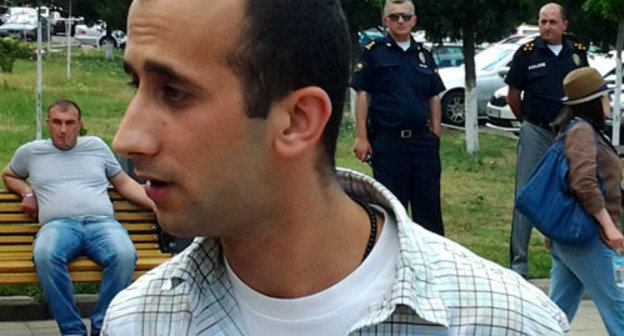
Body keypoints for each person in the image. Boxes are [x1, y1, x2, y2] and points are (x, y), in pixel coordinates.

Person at [102, 0, 569, 334]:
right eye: (135, 83)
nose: (126, 139)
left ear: (296, 121)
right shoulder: (139, 319)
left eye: (176, 93)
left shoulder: (503, 321)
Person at [2, 100, 155, 336]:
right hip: (58, 227)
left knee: (124, 255)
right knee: (44, 255)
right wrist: (27, 192)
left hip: (101, 224)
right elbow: (10, 174)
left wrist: (156, 205)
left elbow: (123, 183)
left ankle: (102, 327)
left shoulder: (96, 146)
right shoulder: (31, 152)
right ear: (48, 124)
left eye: (70, 123)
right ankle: (72, 331)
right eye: (57, 122)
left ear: (79, 125)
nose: (63, 130)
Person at [505, 2, 589, 278]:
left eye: (552, 22)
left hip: (568, 134)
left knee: (570, 193)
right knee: (525, 196)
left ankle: (566, 260)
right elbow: (513, 97)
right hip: (536, 131)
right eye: (543, 22)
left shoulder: (576, 54)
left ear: (564, 25)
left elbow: (584, 91)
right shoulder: (527, 53)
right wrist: (528, 124)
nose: (546, 27)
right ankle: (518, 265)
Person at [350, 0, 445, 235]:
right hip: (389, 143)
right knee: (391, 212)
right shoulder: (374, 52)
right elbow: (363, 95)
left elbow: (434, 96)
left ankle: (429, 267)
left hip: (422, 143)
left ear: (414, 20)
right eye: (394, 17)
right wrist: (362, 137)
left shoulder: (424, 55)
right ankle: (393, 266)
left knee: (429, 211)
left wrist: (435, 133)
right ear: (385, 21)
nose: (400, 21)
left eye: (405, 16)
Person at [547, 67, 624, 335]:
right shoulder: (581, 131)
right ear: (593, 102)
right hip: (589, 237)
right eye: (605, 97)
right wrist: (610, 227)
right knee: (620, 310)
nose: (609, 102)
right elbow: (584, 183)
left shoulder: (584, 129)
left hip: (571, 238)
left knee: (555, 315)